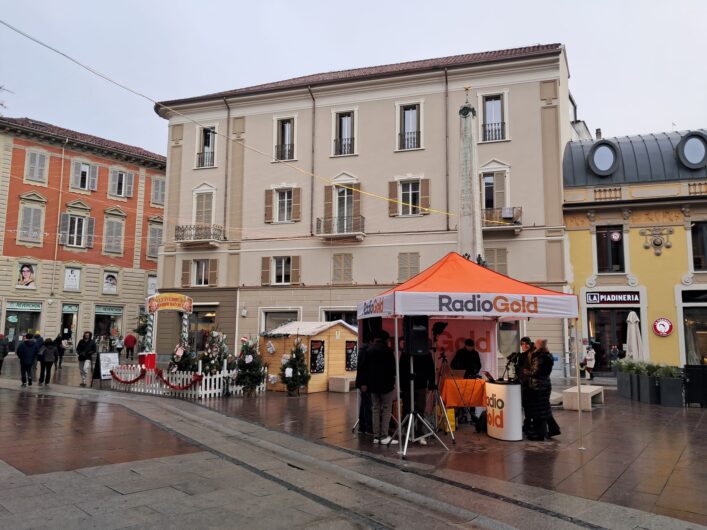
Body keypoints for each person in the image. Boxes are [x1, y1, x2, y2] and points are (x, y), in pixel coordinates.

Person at [357, 330, 398, 445]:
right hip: (386, 385)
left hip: (373, 386)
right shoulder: (388, 351)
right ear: (386, 340)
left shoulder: (368, 351)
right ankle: (384, 435)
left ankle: (376, 436)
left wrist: (364, 383)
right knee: (386, 409)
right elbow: (393, 369)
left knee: (375, 408)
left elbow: (363, 368)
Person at [399, 345, 436, 445]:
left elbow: (430, 367)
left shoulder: (425, 352)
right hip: (408, 384)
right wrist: (401, 386)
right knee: (407, 408)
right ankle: (407, 429)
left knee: (420, 408)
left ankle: (419, 431)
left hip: (420, 384)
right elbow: (401, 368)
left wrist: (431, 382)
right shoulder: (406, 351)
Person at [523, 338, 555, 441]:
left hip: (539, 386)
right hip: (545, 385)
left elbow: (535, 372)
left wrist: (527, 372)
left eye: (536, 344)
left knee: (539, 411)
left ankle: (540, 434)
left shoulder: (540, 357)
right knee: (544, 409)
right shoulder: (548, 356)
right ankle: (551, 430)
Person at [354, 337, 374, 435]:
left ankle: (362, 427)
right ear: (370, 341)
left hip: (362, 382)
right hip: (365, 383)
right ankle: (368, 428)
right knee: (368, 406)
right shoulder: (366, 351)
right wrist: (364, 383)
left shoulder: (362, 350)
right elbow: (363, 368)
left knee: (364, 406)